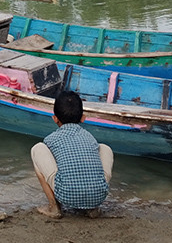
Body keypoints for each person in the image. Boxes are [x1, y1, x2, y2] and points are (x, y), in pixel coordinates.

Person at [31, 89, 113, 218]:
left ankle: (54, 207)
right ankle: (93, 208)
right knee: (104, 148)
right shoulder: (90, 137)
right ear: (83, 118)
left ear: (55, 118)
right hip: (98, 197)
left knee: (37, 149)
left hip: (66, 195)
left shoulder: (51, 139)